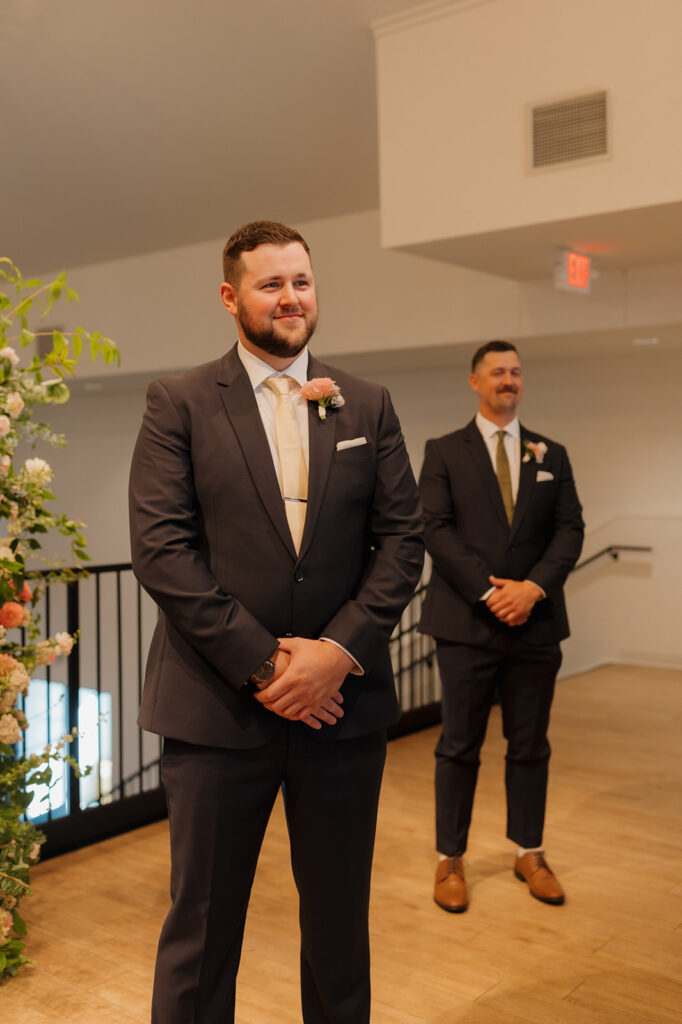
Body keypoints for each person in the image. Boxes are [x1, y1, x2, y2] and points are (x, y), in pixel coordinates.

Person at [129, 220, 423, 1023]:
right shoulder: (179, 402)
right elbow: (162, 552)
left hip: (342, 710)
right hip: (218, 712)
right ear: (231, 297)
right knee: (203, 927)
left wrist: (336, 652)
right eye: (271, 283)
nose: (291, 297)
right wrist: (269, 667)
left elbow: (402, 542)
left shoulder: (367, 402)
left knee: (338, 928)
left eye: (302, 280)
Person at [418, 340, 583, 913]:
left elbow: (570, 531)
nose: (508, 380)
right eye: (497, 372)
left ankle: (529, 852)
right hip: (466, 625)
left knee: (530, 746)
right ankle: (450, 860)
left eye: (515, 372)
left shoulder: (551, 455)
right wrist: (492, 593)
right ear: (474, 382)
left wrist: (532, 589)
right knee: (459, 747)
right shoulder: (443, 452)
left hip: (535, 627)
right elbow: (435, 530)